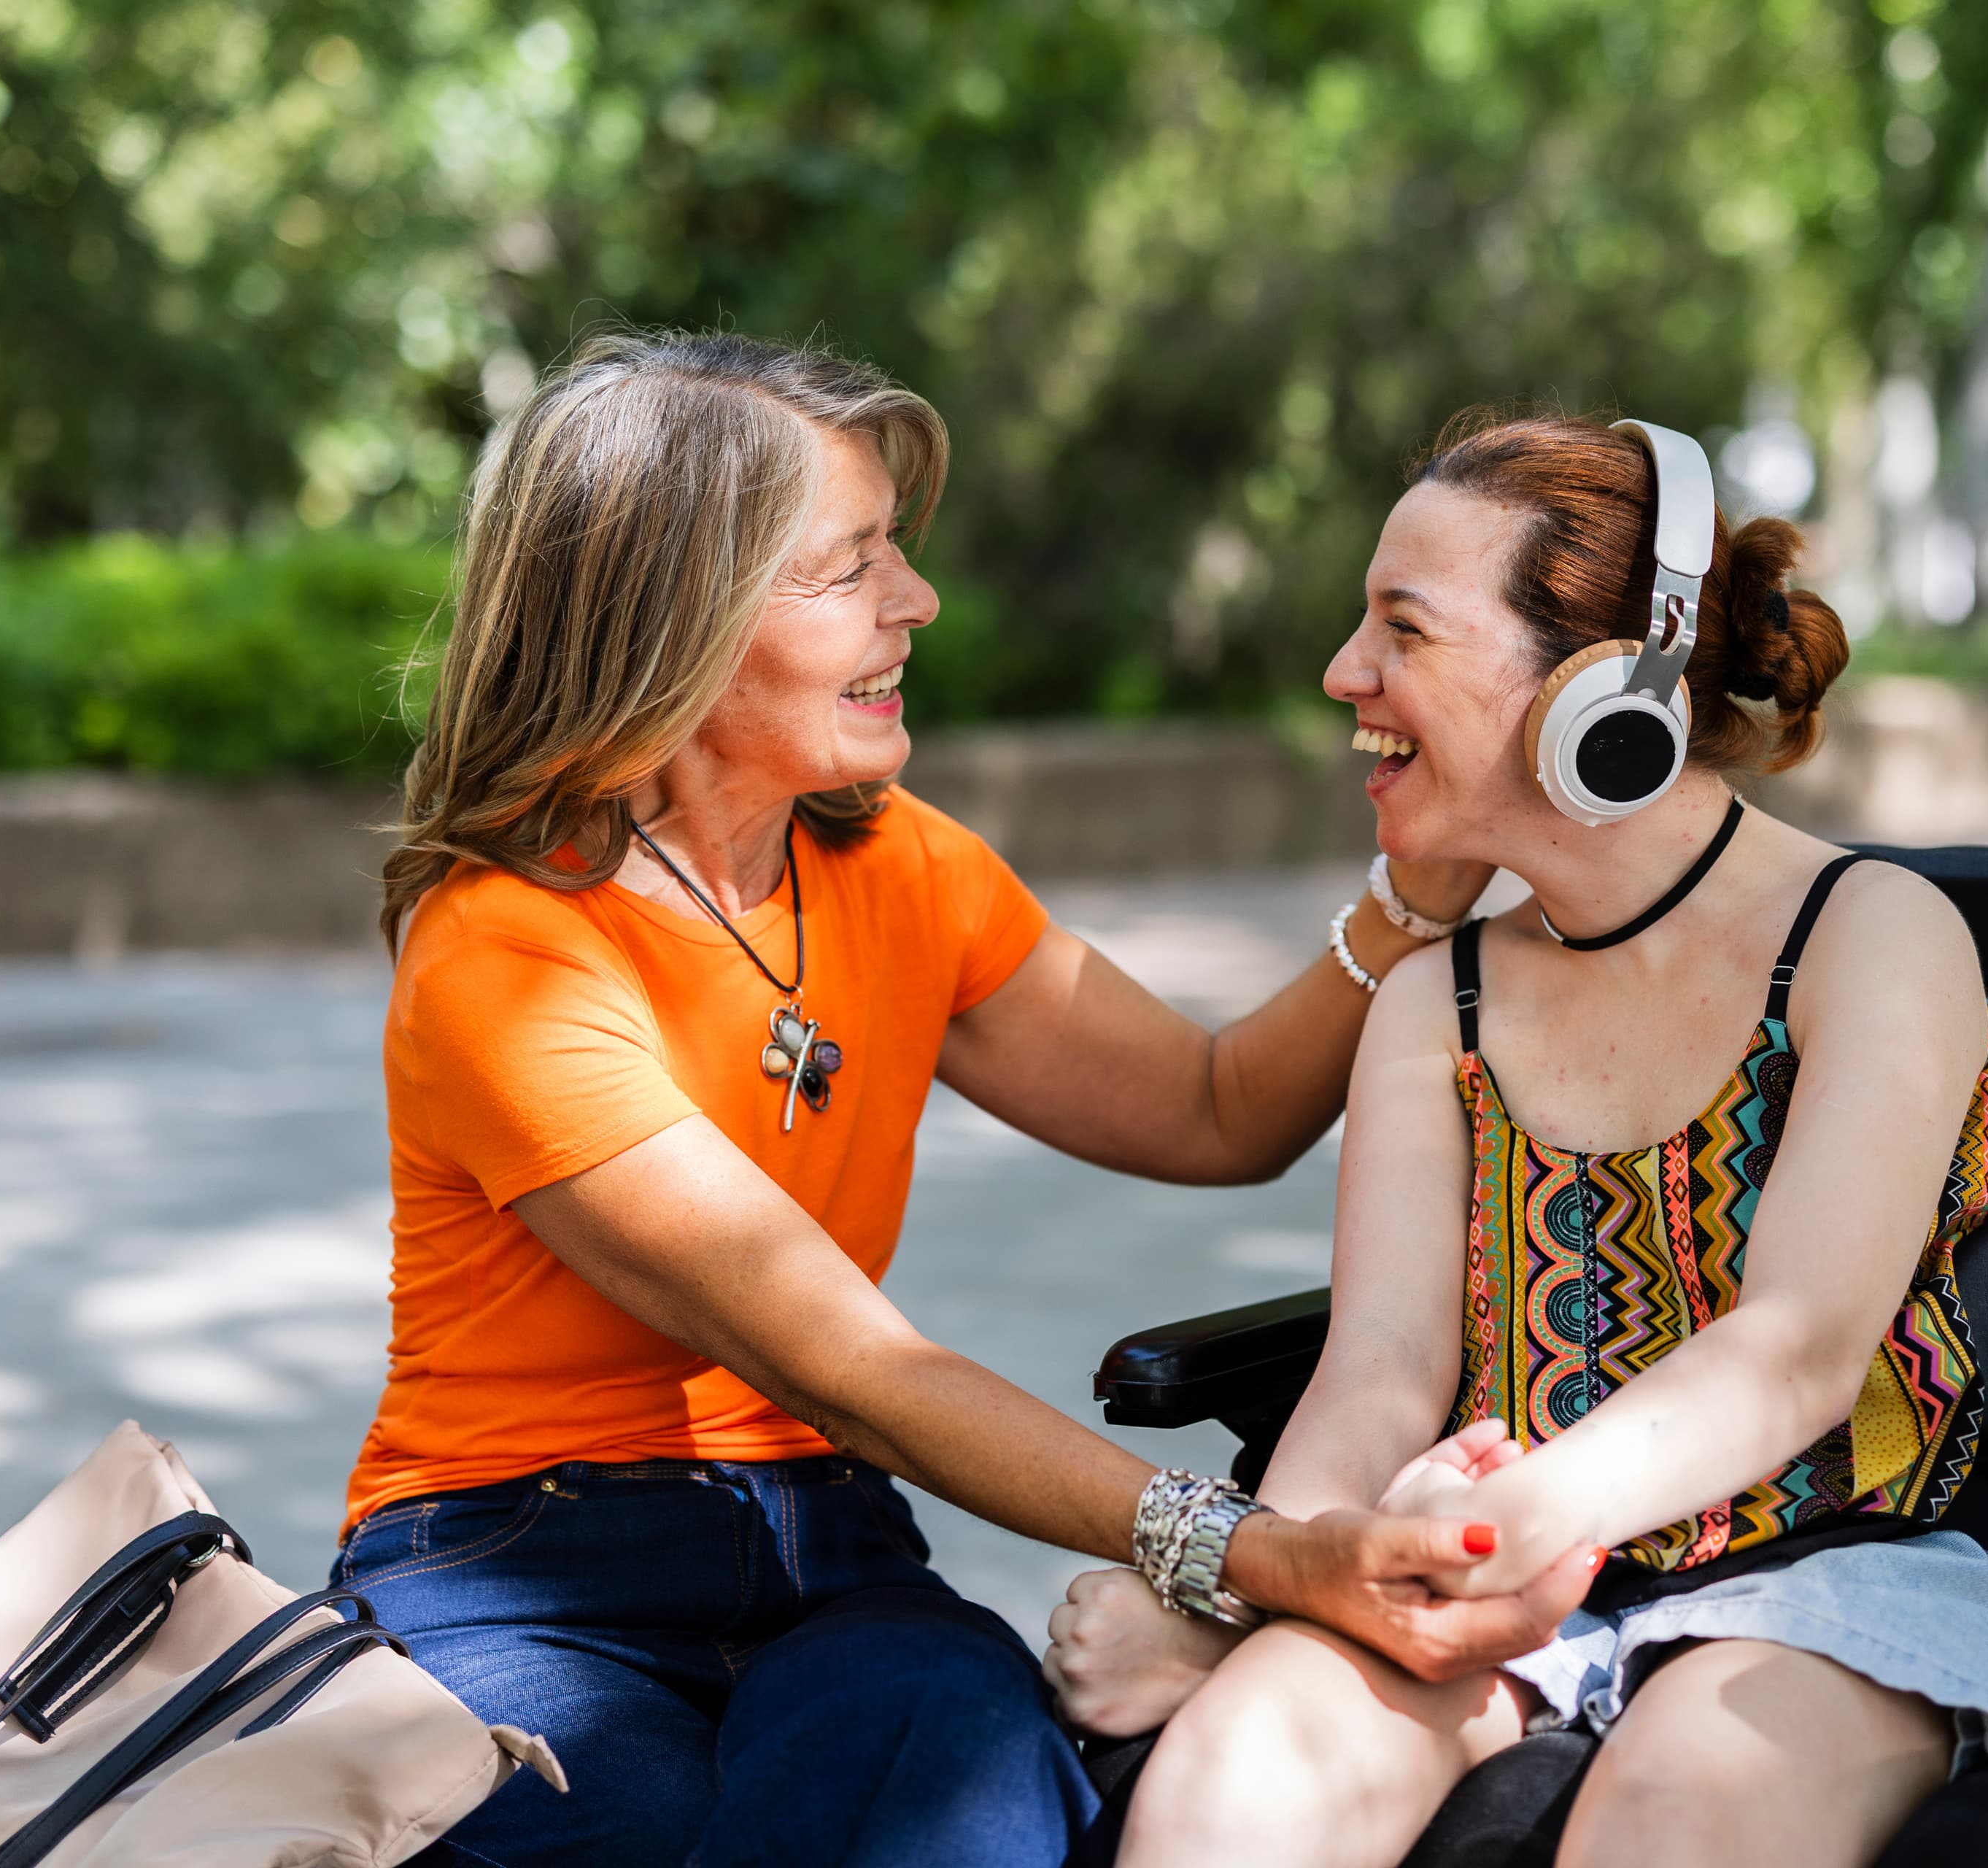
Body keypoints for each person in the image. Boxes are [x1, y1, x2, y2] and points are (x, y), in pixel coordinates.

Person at [333, 332, 1593, 1868]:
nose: (914, 601)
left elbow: (1213, 1107)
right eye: (851, 565)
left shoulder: (894, 861)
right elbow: (852, 1364)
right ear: (681, 619)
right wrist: (1265, 1554)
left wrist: (1411, 900)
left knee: (978, 1790)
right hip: (517, 1561)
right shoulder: (505, 952)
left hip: (827, 1549)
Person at [1045, 410, 1988, 1868]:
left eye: (1404, 629)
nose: (1343, 674)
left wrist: (1499, 1528)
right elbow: (1380, 1366)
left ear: (1601, 690)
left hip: (1837, 1576)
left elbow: (1800, 1352)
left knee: (1677, 1810)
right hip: (1499, 1570)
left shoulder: (1869, 937)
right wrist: (1280, 1580)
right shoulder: (1443, 990)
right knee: (1231, 1780)